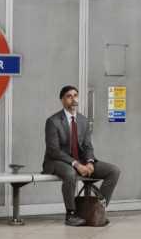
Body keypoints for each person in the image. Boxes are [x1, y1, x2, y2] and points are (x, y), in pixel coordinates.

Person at [43, 85, 121, 226]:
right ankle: (71, 214)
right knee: (70, 173)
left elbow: (87, 146)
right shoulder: (53, 121)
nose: (73, 99)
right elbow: (53, 150)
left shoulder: (83, 121)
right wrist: (76, 164)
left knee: (113, 171)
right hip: (56, 161)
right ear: (62, 100)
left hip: (81, 161)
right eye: (69, 96)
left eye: (75, 95)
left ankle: (98, 210)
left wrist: (90, 162)